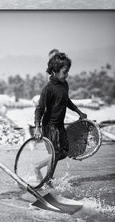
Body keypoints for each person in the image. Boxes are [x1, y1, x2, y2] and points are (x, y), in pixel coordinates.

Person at [34, 52, 87, 186]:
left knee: (64, 152)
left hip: (59, 125)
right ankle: (48, 181)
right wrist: (37, 127)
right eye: (64, 72)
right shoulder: (48, 89)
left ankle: (38, 167)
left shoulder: (64, 85)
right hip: (49, 126)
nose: (67, 74)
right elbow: (39, 109)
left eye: (67, 71)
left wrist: (78, 111)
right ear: (54, 71)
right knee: (55, 153)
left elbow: (66, 101)